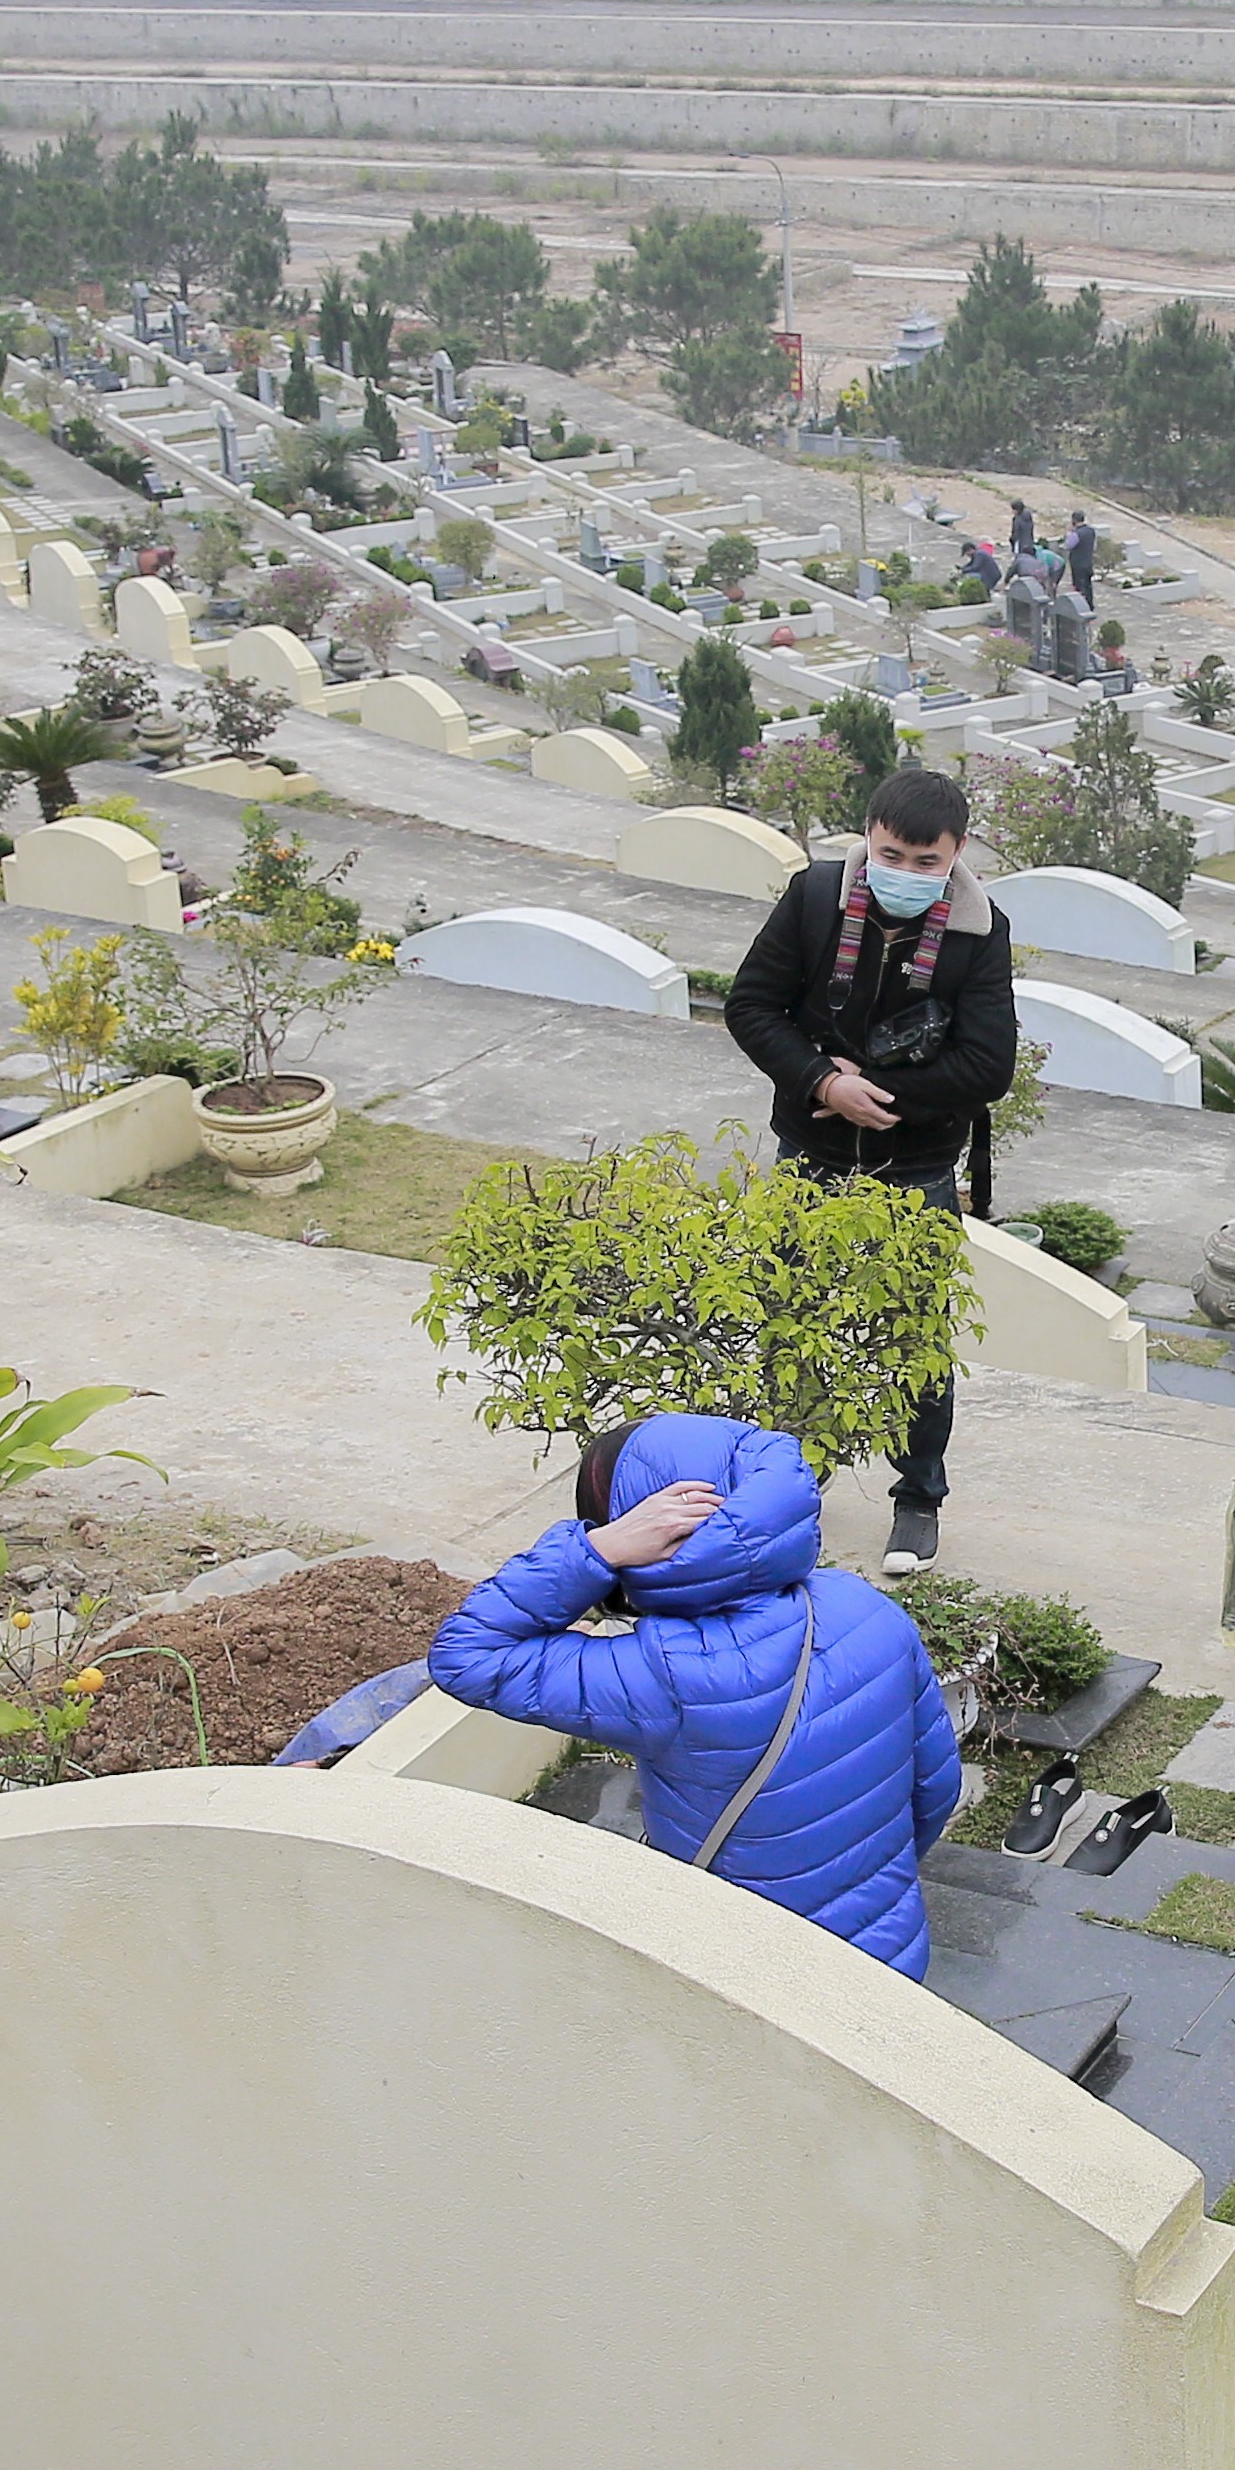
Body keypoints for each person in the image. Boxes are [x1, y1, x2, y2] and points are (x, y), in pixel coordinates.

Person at [426, 1413, 963, 1975]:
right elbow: (936, 1785)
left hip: (745, 1975)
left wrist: (599, 1549)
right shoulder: (868, 1607)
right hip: (886, 1957)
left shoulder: (665, 1674)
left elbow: (468, 1655)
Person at [719, 767, 1016, 1577]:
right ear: (868, 837)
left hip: (913, 1166)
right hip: (808, 1158)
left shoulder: (980, 930)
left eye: (928, 862)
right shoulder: (814, 897)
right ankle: (793, 1481)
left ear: (957, 854)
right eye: (894, 855)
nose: (909, 874)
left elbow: (988, 1067)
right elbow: (750, 1006)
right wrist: (823, 1083)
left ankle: (917, 1498)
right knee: (791, 1325)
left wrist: (876, 1097)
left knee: (913, 1337)